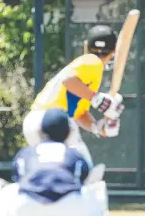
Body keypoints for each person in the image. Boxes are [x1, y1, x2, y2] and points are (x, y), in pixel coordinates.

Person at [0, 108, 112, 216]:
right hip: (70, 213)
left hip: (28, 213)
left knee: (5, 191)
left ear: (40, 131)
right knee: (97, 189)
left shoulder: (27, 153)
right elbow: (83, 181)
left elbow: (20, 180)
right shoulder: (74, 155)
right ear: (68, 133)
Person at [23, 25, 124, 167]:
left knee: (52, 173)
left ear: (86, 45)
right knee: (84, 170)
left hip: (34, 122)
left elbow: (79, 113)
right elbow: (68, 81)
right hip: (54, 122)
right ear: (114, 52)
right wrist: (97, 99)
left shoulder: (85, 66)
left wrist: (97, 127)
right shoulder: (92, 62)